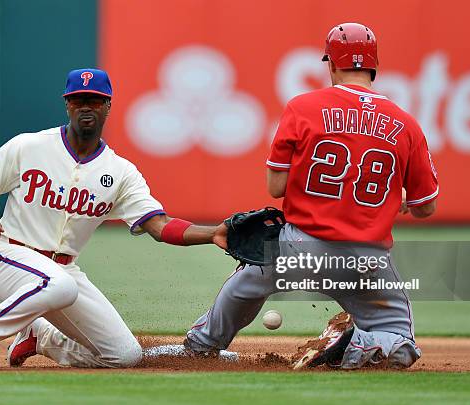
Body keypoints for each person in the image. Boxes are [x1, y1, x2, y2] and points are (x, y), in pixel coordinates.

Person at [183, 23, 438, 369]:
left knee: (250, 277)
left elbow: (276, 187)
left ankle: (201, 344)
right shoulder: (407, 125)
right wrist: (397, 199)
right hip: (366, 260)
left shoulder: (304, 107)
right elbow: (426, 207)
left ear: (331, 64)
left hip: (301, 245)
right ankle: (358, 345)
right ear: (374, 67)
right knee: (400, 343)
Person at [0, 68, 227, 370]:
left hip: (62, 272)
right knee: (60, 286)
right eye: (79, 99)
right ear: (67, 104)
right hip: (9, 255)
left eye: (95, 100)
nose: (86, 106)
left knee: (124, 356)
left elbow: (160, 226)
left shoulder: (120, 172)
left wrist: (214, 232)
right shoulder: (29, 146)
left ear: (108, 106)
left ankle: (42, 337)